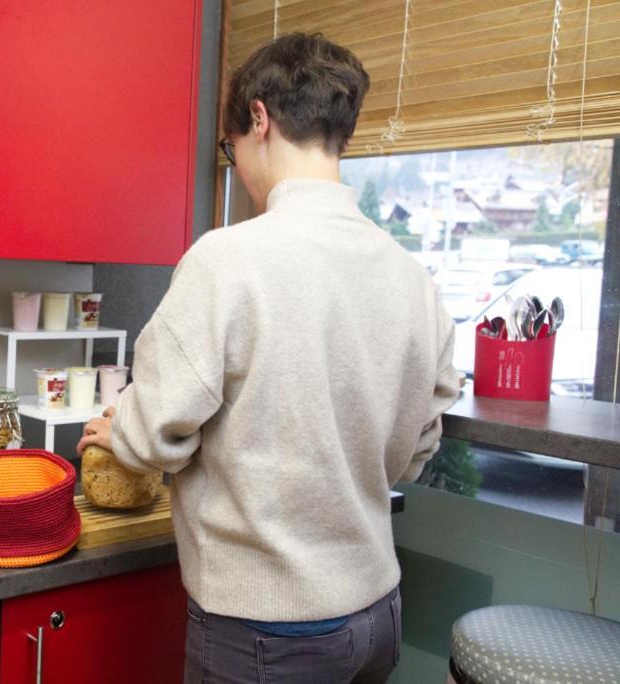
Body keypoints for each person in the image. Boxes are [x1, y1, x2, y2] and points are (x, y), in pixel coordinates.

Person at [77, 32, 459, 683]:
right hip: (376, 612)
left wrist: (127, 431)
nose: (237, 168)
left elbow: (156, 431)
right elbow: (415, 449)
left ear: (259, 120)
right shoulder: (411, 278)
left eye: (230, 150)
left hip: (266, 627)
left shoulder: (227, 259)